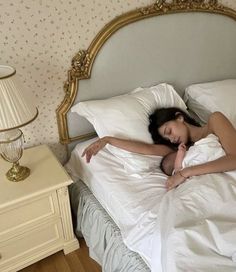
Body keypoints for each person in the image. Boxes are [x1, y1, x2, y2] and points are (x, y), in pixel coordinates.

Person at [82, 107, 236, 190]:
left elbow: (234, 158)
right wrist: (107, 140)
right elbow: (146, 149)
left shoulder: (215, 121)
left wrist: (185, 173)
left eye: (169, 131)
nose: (172, 138)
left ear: (180, 118)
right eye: (167, 138)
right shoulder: (181, 152)